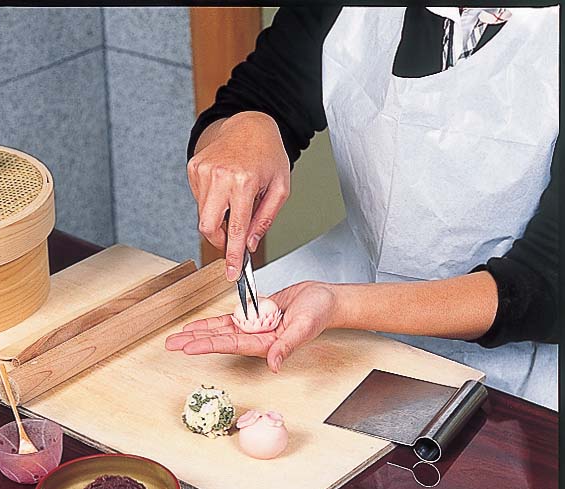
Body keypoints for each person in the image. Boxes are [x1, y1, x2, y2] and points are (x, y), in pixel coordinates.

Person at [165, 7, 559, 409]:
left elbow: (547, 284)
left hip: (516, 371)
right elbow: (260, 96)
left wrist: (339, 304)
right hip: (348, 309)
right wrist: (245, 127)